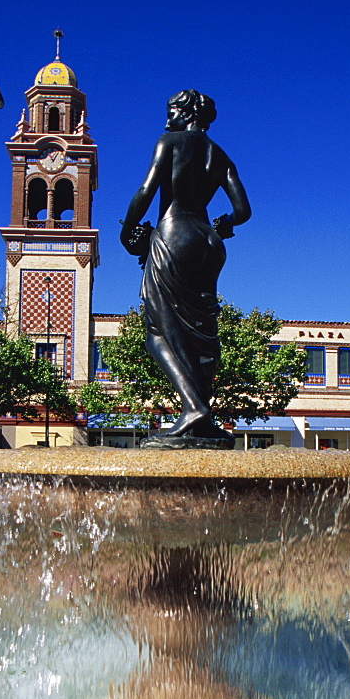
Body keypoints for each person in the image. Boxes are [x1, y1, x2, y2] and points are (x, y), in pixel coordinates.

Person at [121, 89, 251, 439]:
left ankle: (193, 407)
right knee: (201, 330)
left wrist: (128, 231)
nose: (167, 119)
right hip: (209, 240)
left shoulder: (170, 141)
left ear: (187, 113)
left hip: (175, 233)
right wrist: (224, 226)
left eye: (172, 111)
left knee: (158, 331)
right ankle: (204, 420)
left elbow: (146, 189)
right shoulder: (220, 155)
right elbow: (243, 211)